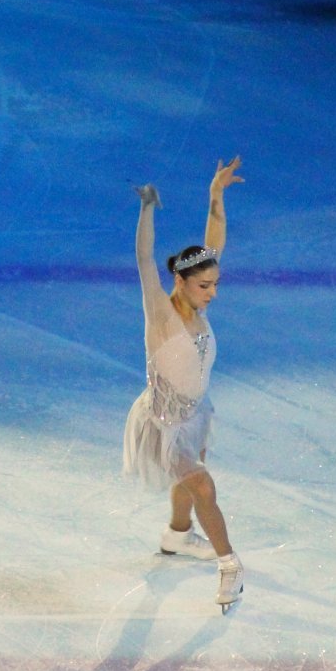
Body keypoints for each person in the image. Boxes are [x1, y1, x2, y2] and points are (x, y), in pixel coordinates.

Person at [125, 156, 246, 608]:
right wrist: (147, 209)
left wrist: (215, 195)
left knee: (188, 471)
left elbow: (214, 240)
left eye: (215, 284)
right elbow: (142, 259)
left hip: (195, 413)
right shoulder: (161, 313)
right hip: (162, 423)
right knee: (201, 485)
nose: (212, 293)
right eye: (204, 286)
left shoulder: (198, 310)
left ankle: (177, 536)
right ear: (180, 281)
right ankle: (229, 565)